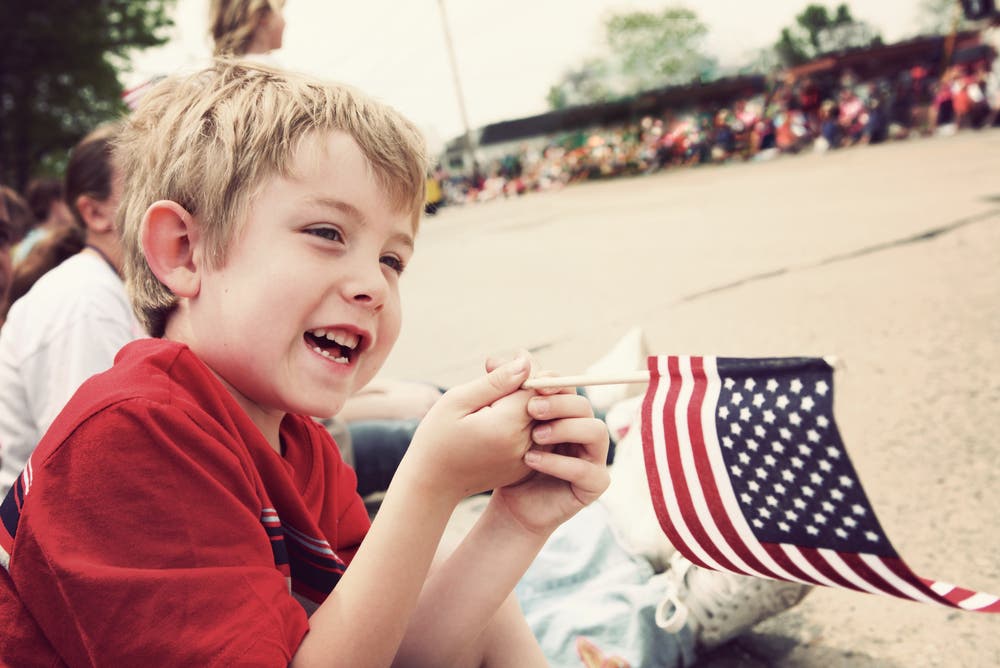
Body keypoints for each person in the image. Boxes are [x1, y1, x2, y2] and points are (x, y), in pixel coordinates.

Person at [0, 60, 611, 666]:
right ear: (184, 251)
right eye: (327, 232)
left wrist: (514, 523)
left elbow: (395, 650)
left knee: (484, 601)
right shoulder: (130, 434)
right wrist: (430, 482)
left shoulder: (305, 448)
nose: (373, 283)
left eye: (393, 261)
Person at [0, 123, 143, 497]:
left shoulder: (103, 289)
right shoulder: (86, 302)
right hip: (33, 548)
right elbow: (94, 470)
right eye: (146, 185)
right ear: (95, 213)